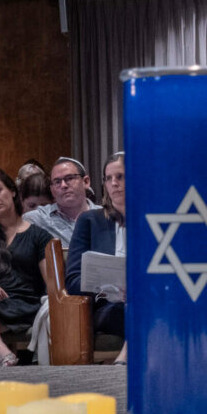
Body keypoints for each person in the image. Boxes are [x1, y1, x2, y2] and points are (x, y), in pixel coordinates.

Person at [0, 166, 54, 366]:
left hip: (23, 304)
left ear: (12, 191)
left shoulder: (39, 235)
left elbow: (51, 285)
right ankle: (4, 353)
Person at [65, 154, 128, 364]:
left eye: (120, 176)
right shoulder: (90, 221)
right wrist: (107, 285)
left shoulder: (152, 220)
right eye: (108, 178)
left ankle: (126, 356)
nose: (114, 183)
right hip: (108, 306)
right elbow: (73, 280)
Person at [23, 157, 101, 251]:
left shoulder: (107, 216)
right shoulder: (36, 219)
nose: (63, 185)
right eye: (57, 182)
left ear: (86, 182)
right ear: (52, 190)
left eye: (69, 178)